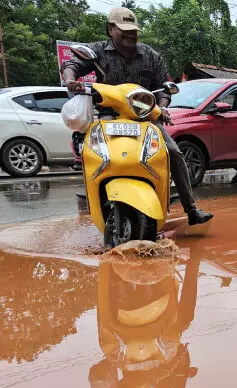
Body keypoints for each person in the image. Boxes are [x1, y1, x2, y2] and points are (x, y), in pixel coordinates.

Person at [61, 7, 212, 226]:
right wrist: (70, 78)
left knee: (173, 151)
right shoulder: (98, 52)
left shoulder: (151, 56)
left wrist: (162, 107)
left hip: (146, 119)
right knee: (90, 152)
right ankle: (94, 198)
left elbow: (163, 88)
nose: (131, 35)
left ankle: (191, 209)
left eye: (134, 31)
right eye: (124, 31)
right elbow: (71, 65)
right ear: (111, 29)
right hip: (109, 119)